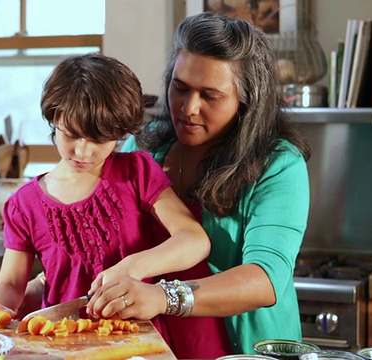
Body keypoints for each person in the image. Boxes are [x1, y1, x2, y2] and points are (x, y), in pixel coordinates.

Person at [0, 52, 232, 358]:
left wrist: (133, 266)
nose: (83, 151)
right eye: (72, 134)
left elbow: (194, 241)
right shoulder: (22, 205)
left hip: (142, 343)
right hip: (64, 346)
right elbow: (11, 285)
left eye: (100, 139)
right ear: (53, 118)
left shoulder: (136, 172)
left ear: (119, 135)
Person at [86, 11, 311, 355]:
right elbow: (96, 246)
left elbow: (264, 279)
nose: (189, 108)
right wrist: (30, 288)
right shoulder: (140, 148)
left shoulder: (278, 163)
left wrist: (164, 297)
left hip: (246, 351)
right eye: (180, 88)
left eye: (210, 95)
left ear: (246, 102)